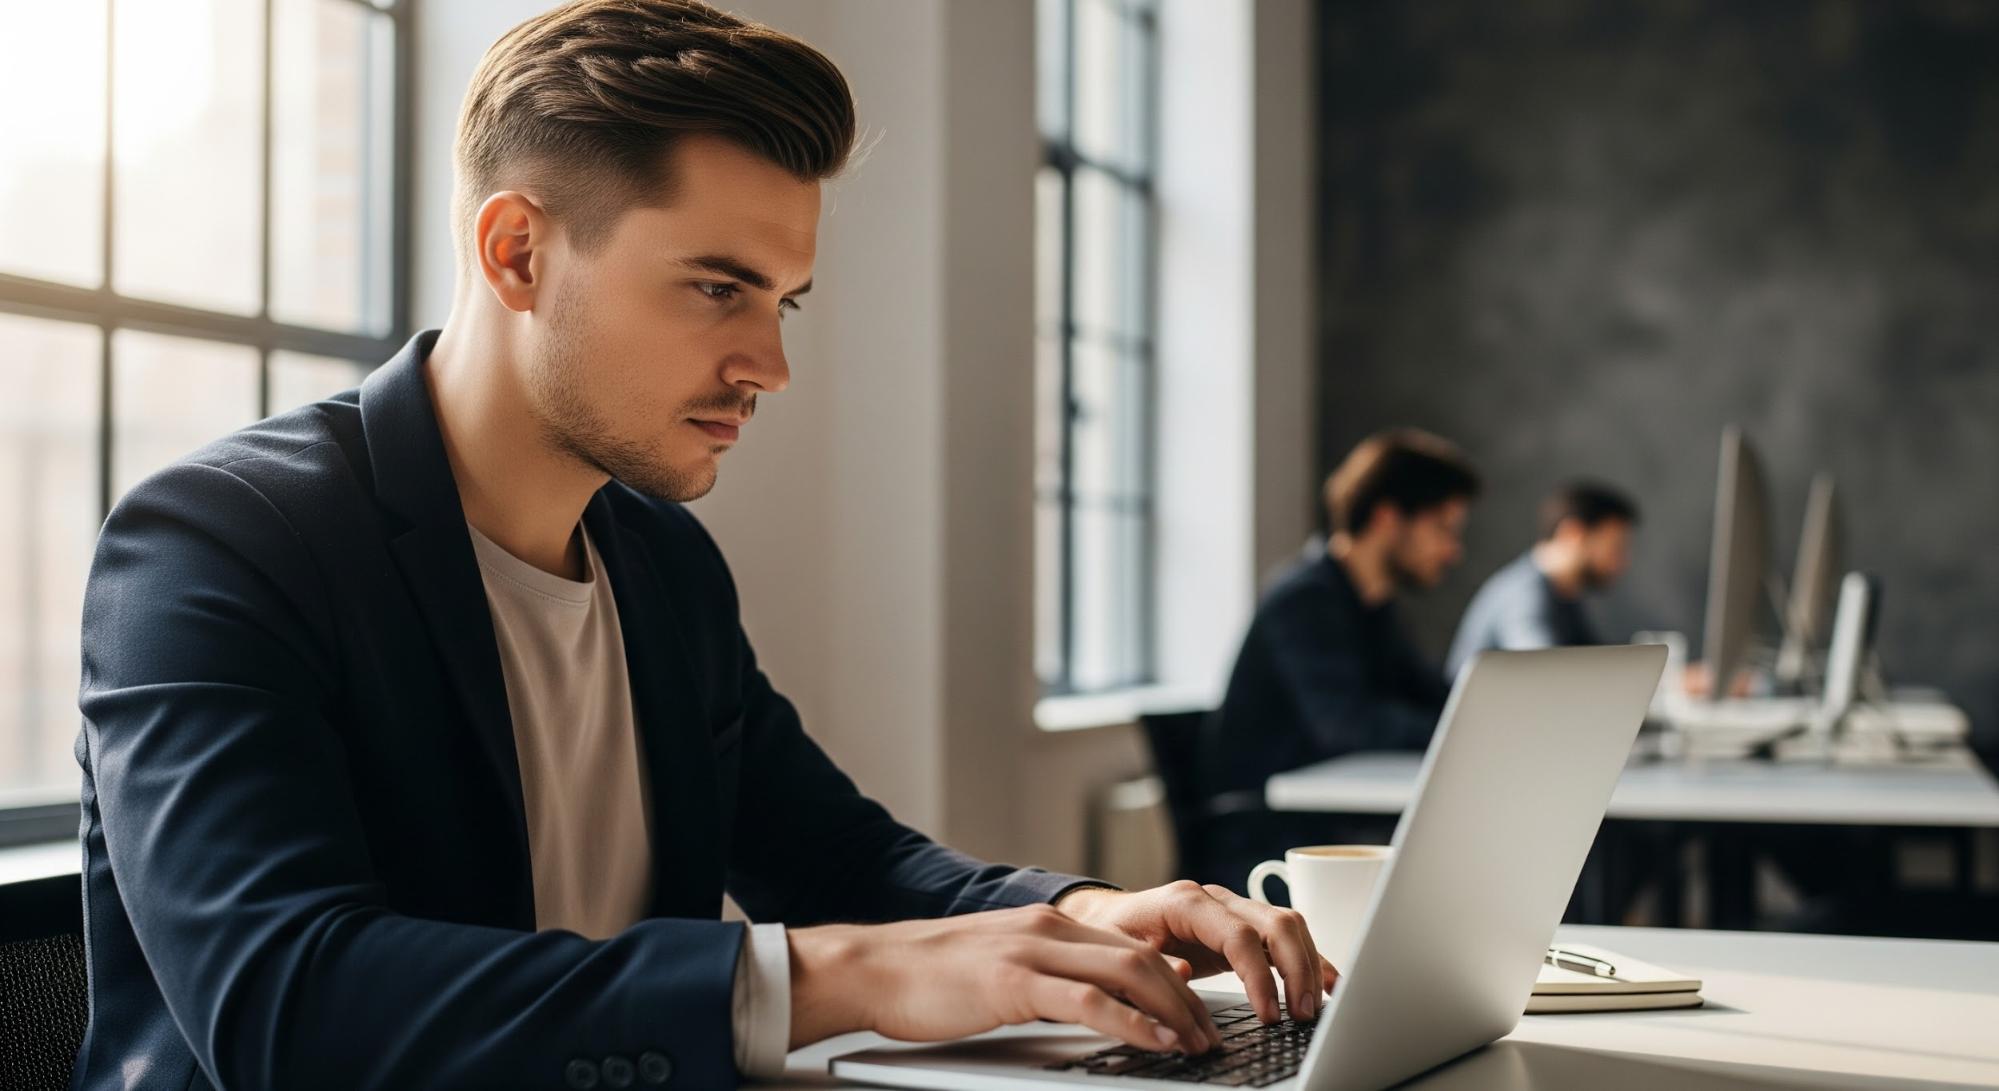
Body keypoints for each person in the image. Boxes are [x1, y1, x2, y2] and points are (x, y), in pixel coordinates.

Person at [69, 4, 1331, 1087]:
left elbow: (836, 855)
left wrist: (1080, 913)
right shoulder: (221, 544)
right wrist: (847, 975)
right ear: (517, 251)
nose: (769, 365)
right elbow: (284, 1003)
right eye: (718, 287)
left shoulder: (660, 561)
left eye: (783, 302)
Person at [1196, 429, 1479, 887]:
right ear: (1388, 518)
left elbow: (1432, 697)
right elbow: (1346, 724)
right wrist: (1463, 732)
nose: (1453, 550)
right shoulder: (1303, 600)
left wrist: (1474, 721)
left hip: (1334, 825)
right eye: (1443, 528)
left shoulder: (1373, 607)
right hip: (1275, 840)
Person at [1445, 480, 1640, 681]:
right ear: (1573, 533)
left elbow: (1595, 660)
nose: (1623, 561)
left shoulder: (1565, 594)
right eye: (1616, 547)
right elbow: (1546, 675)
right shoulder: (1524, 595)